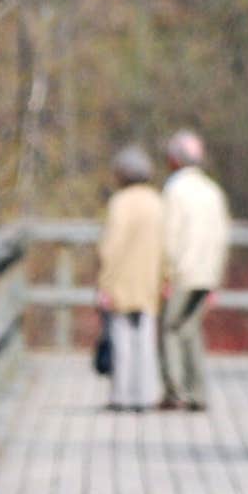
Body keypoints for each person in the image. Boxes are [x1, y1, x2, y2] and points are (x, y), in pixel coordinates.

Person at [159, 129, 231, 411]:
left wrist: (165, 274)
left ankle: (176, 391)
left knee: (170, 329)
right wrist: (216, 278)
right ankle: (197, 391)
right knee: (191, 329)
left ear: (176, 159)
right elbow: (221, 235)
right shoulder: (212, 190)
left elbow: (169, 235)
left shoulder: (175, 190)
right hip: (206, 273)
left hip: (182, 272)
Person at [96, 143, 164, 411]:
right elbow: (166, 244)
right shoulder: (157, 202)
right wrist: (166, 276)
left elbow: (111, 247)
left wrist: (104, 282)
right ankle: (145, 395)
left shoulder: (120, 203)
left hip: (122, 281)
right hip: (149, 279)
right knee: (145, 340)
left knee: (121, 340)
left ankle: (122, 395)